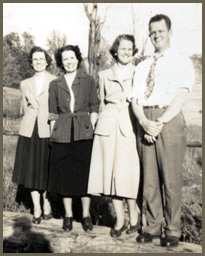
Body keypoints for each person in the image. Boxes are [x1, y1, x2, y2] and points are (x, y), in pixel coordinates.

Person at [130, 14, 195, 247]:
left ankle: (173, 230)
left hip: (170, 120)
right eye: (152, 32)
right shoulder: (142, 66)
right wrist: (144, 122)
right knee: (149, 180)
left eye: (160, 31)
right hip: (145, 120)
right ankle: (152, 226)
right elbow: (135, 99)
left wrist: (160, 122)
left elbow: (181, 94)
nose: (156, 35)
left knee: (171, 178)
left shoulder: (181, 61)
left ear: (169, 32)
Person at [87, 35, 141, 238]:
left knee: (128, 173)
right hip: (108, 126)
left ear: (133, 51)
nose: (126, 52)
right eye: (123, 48)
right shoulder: (103, 74)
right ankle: (119, 219)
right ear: (115, 50)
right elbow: (100, 103)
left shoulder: (138, 72)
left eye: (130, 48)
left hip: (129, 124)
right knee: (110, 175)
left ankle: (134, 217)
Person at [48, 45, 99, 232]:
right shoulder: (55, 84)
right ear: (61, 63)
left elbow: (94, 106)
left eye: (72, 58)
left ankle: (86, 215)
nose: (69, 62)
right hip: (62, 133)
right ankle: (68, 215)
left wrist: (91, 126)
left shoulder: (88, 80)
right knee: (65, 175)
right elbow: (52, 112)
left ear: (77, 59)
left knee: (85, 174)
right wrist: (55, 133)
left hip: (83, 132)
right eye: (65, 59)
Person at [12, 46, 56, 224]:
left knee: (46, 169)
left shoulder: (55, 81)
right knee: (31, 170)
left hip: (47, 129)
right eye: (35, 59)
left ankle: (47, 205)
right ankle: (36, 207)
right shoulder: (24, 84)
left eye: (41, 59)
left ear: (47, 61)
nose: (38, 62)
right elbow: (24, 108)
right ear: (31, 62)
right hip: (29, 131)